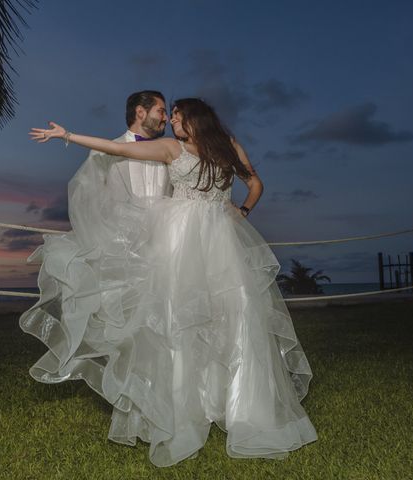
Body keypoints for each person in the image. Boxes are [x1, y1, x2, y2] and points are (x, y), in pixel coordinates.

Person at [20, 98, 317, 467]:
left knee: (237, 316)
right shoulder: (170, 148)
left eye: (176, 115)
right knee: (177, 321)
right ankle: (182, 411)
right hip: (177, 244)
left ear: (195, 118)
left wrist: (241, 212)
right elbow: (115, 147)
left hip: (222, 244)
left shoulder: (228, 146)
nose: (172, 121)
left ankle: (244, 410)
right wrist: (68, 135)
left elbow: (255, 183)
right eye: (170, 115)